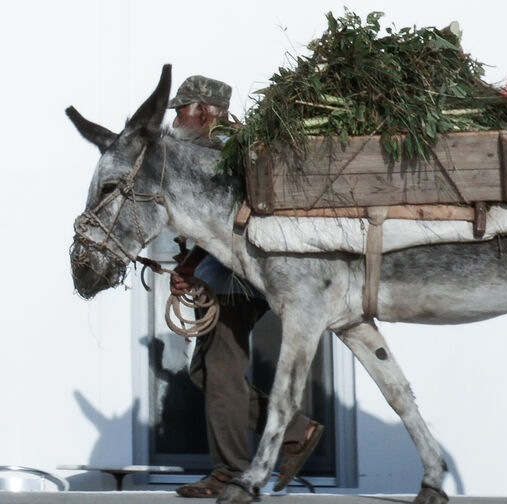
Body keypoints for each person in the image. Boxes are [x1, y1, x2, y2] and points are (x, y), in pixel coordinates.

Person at [167, 75, 323, 498]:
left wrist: (192, 266)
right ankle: (295, 430)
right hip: (228, 272)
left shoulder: (221, 150)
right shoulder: (221, 146)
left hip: (236, 276)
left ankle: (230, 472)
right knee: (205, 371)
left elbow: (224, 220)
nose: (176, 117)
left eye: (181, 109)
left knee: (220, 371)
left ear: (204, 110)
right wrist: (193, 263)